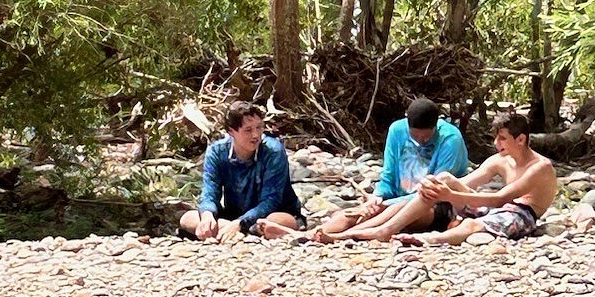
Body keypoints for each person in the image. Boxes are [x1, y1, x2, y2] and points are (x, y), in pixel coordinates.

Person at [313, 97, 468, 240]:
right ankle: (310, 235)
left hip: (435, 206)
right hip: (396, 199)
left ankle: (347, 235)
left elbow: (437, 191)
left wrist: (385, 205)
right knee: (351, 214)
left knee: (392, 210)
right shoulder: (397, 130)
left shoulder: (450, 139)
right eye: (416, 137)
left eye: (426, 138)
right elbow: (388, 176)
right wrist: (377, 197)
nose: (421, 141)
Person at [393, 112, 557, 246]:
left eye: (502, 138)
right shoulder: (501, 159)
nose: (496, 143)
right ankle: (383, 227)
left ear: (521, 139)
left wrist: (450, 196)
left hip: (522, 214)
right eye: (496, 138)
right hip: (497, 208)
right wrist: (433, 185)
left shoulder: (540, 167)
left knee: (469, 225)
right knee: (444, 179)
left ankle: (429, 239)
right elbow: (465, 182)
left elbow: (500, 199)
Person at [177, 101, 305, 242]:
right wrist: (207, 216)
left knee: (274, 221)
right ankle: (234, 231)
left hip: (272, 213)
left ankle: (234, 231)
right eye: (248, 130)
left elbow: (271, 200)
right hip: (233, 216)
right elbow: (210, 193)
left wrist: (241, 223)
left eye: (259, 127)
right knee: (188, 218)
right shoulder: (217, 152)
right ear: (231, 132)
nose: (256, 135)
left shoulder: (273, 151)